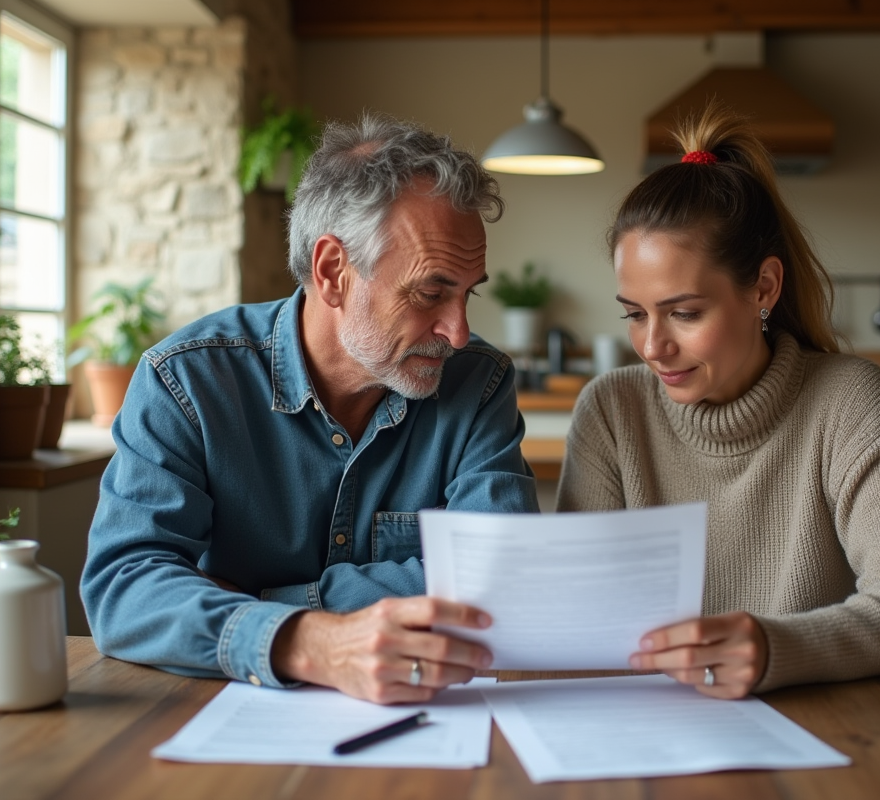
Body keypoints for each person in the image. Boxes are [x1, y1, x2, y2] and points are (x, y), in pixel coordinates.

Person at [81, 114, 539, 704]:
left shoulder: (478, 383)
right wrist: (310, 643)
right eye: (431, 293)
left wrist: (270, 607)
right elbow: (123, 589)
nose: (458, 332)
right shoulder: (188, 381)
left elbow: (501, 577)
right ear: (332, 273)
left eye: (467, 293)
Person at [556, 105, 880, 699]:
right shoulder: (610, 410)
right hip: (647, 721)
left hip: (816, 721)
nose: (652, 346)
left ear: (764, 288)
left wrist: (777, 648)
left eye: (684, 313)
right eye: (634, 314)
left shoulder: (847, 399)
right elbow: (575, 609)